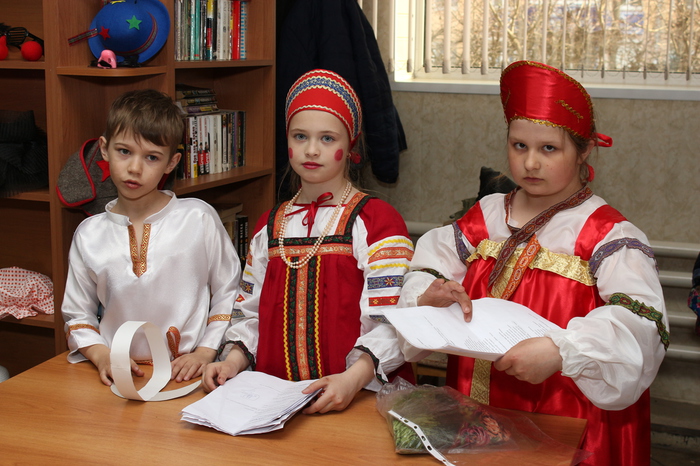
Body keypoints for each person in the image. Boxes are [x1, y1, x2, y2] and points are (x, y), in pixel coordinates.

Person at [397, 61, 668, 466]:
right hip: (476, 409)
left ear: (584, 150)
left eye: (549, 149)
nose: (530, 163)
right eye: (519, 146)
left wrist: (563, 350)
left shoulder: (605, 234)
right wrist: (429, 293)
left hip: (567, 415)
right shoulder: (487, 216)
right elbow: (428, 265)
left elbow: (643, 325)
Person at [203, 69, 414, 413]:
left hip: (356, 399)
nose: (312, 150)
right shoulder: (268, 227)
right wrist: (232, 362)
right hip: (273, 403)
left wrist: (351, 380)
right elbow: (248, 314)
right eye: (300, 136)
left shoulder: (376, 222)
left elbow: (393, 321)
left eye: (327, 138)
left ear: (350, 145)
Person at [61, 89, 240, 386]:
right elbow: (78, 314)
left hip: (188, 375)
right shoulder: (88, 234)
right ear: (104, 149)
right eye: (124, 151)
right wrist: (102, 356)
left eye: (152, 157)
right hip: (116, 379)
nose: (134, 168)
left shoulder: (198, 218)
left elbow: (230, 290)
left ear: (171, 162)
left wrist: (205, 352)